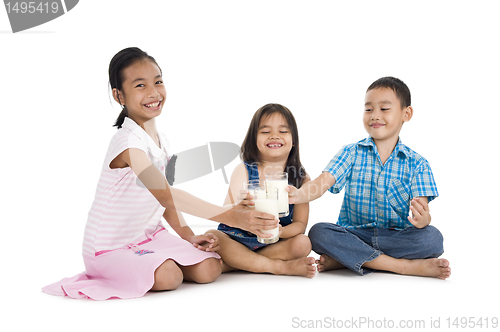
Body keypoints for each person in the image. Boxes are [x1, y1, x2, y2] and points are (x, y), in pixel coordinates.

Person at [42, 47, 277, 300]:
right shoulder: (127, 142)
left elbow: (164, 201)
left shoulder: (160, 141)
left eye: (158, 82)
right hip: (108, 248)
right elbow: (165, 195)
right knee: (169, 276)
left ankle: (165, 259)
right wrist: (232, 217)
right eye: (140, 85)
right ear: (119, 95)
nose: (153, 93)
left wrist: (188, 235)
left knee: (209, 268)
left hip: (149, 237)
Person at [288, 77, 451, 280]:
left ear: (406, 114)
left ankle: (346, 259)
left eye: (384, 109)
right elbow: (322, 183)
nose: (374, 116)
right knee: (318, 233)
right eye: (368, 109)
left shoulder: (417, 164)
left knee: (433, 239)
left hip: (396, 237)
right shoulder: (351, 152)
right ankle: (402, 266)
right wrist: (299, 194)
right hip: (354, 234)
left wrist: (423, 220)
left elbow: (423, 213)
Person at [207, 104, 316, 278]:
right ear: (254, 139)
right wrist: (239, 206)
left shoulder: (301, 179)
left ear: (293, 140)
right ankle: (276, 266)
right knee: (213, 236)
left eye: (283, 131)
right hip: (237, 239)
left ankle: (235, 263)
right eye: (265, 131)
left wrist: (281, 232)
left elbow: (300, 225)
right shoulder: (243, 170)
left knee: (303, 243)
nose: (274, 136)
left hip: (273, 243)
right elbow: (226, 210)